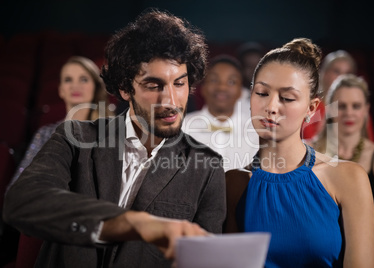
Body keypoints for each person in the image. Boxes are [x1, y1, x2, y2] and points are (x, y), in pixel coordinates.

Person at [3, 9, 226, 268]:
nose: (171, 101)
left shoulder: (207, 166)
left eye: (179, 84)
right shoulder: (75, 136)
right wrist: (135, 224)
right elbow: (21, 201)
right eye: (154, 86)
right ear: (124, 88)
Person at [225, 38, 374, 267]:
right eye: (262, 93)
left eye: (287, 98)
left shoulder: (349, 177)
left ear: (312, 108)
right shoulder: (233, 182)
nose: (271, 107)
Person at [6, 56, 114, 192]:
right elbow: (18, 186)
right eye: (68, 80)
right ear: (61, 90)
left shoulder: (111, 132)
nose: (76, 86)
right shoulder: (45, 134)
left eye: (84, 79)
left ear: (95, 86)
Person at [315, 73, 374, 234]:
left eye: (356, 106)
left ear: (366, 109)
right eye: (341, 106)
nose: (349, 112)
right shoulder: (310, 152)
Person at [182, 55, 259, 171]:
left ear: (240, 91)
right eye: (214, 80)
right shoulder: (183, 127)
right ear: (202, 88)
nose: (222, 87)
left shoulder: (255, 131)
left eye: (231, 82)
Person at [301, 50, 358, 140]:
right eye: (337, 71)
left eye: (348, 73)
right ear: (325, 74)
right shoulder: (311, 108)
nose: (342, 78)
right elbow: (308, 145)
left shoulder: (359, 109)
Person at [236, 42, 266, 114]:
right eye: (249, 66)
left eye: (258, 65)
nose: (254, 70)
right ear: (242, 69)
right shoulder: (235, 96)